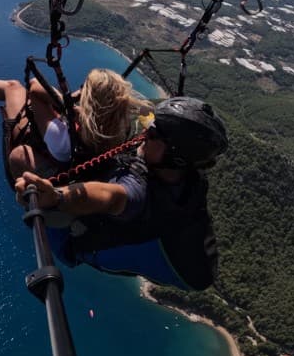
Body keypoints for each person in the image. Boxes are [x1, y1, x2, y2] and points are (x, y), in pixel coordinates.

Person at [13, 96, 228, 290]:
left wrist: (58, 197)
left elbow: (110, 196)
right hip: (184, 254)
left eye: (152, 133)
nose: (145, 133)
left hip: (72, 242)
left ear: (176, 157)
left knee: (18, 158)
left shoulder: (139, 193)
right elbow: (146, 115)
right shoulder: (185, 171)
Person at [0, 61, 149, 179]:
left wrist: (68, 105)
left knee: (13, 87)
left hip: (49, 152)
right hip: (78, 154)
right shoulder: (119, 128)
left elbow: (34, 86)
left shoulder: (63, 138)